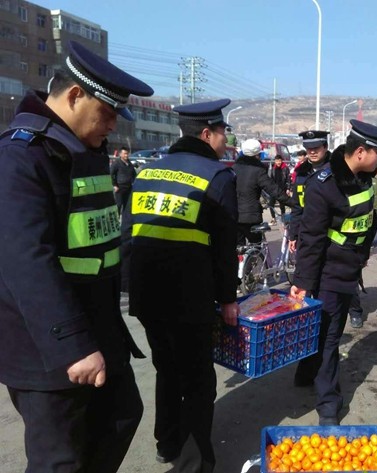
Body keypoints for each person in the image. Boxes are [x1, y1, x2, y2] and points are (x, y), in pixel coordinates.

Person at [0, 40, 151, 473]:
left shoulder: (79, 149)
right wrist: (72, 346)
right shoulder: (21, 157)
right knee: (59, 460)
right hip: (49, 347)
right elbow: (26, 262)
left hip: (98, 327)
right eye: (107, 113)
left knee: (122, 415)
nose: (113, 126)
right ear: (74, 95)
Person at [128, 99, 240, 471]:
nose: (225, 140)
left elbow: (130, 234)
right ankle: (195, 462)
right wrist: (228, 299)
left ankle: (167, 442)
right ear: (207, 134)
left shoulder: (148, 171)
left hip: (147, 295)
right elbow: (224, 247)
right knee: (197, 380)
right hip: (190, 297)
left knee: (166, 369)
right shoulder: (217, 175)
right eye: (223, 132)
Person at [290, 119, 377, 426]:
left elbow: (367, 223)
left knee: (324, 331)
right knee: (329, 338)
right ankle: (328, 405)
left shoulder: (364, 179)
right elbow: (311, 239)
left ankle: (305, 374)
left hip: (350, 268)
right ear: (361, 152)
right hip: (329, 272)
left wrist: (362, 256)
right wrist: (302, 283)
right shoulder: (323, 185)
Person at [348, 161, 377, 328]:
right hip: (331, 246)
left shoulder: (365, 187)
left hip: (353, 247)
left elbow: (365, 228)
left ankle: (355, 312)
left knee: (351, 281)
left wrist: (364, 254)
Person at [232, 139, 290, 245]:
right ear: (258, 155)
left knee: (238, 247)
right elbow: (274, 190)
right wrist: (292, 203)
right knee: (256, 247)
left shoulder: (233, 168)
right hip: (251, 216)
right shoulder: (258, 170)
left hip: (234, 215)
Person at [288, 130, 331, 253]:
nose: (312, 152)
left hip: (331, 236)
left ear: (325, 147)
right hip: (306, 235)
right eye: (309, 148)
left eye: (316, 148)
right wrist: (293, 235)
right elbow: (297, 207)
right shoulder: (301, 173)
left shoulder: (337, 170)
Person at [111, 145, 136, 213]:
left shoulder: (129, 163)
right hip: (120, 187)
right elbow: (111, 174)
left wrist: (134, 182)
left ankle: (125, 219)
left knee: (127, 205)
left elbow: (133, 174)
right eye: (125, 154)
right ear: (120, 154)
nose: (126, 155)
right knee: (119, 204)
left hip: (129, 187)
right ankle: (117, 218)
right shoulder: (116, 163)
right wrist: (115, 185)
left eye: (127, 153)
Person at [267, 154, 291, 224]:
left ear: (282, 161)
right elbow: (270, 178)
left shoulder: (285, 168)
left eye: (279, 161)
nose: (278, 162)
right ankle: (273, 218)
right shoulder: (273, 168)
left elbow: (288, 179)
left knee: (282, 205)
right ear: (275, 161)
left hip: (282, 189)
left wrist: (288, 188)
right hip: (274, 189)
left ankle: (283, 218)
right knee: (271, 204)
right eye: (277, 161)